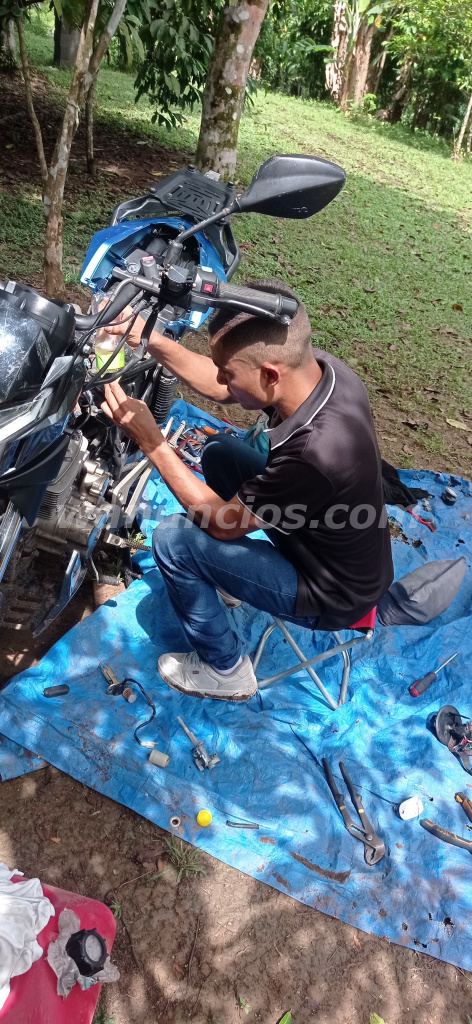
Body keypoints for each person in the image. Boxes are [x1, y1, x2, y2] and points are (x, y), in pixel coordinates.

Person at [101, 279, 393, 702]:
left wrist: (153, 442)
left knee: (173, 539)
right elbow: (222, 385)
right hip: (325, 536)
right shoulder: (321, 373)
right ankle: (224, 576)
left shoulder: (316, 454)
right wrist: (149, 338)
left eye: (230, 371)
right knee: (220, 454)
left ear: (270, 374)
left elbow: (223, 524)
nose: (222, 379)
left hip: (332, 592)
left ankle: (226, 671)